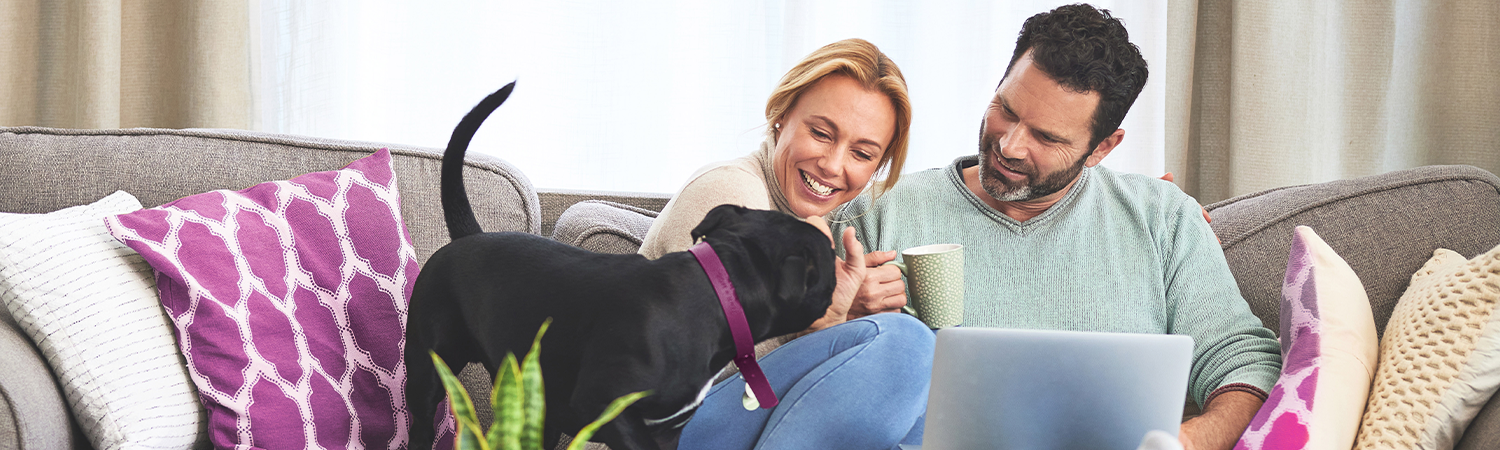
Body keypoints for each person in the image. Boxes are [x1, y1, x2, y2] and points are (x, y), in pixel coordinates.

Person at [832, 5, 1281, 450]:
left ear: (1103, 146)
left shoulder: (1162, 219)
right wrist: (840, 318)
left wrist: (1187, 442)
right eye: (1006, 109)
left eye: (1047, 137)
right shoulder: (877, 212)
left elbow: (1243, 362)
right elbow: (805, 367)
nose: (1010, 145)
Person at [641, 39, 935, 450]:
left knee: (923, 393)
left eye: (862, 153)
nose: (833, 165)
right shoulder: (731, 195)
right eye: (820, 133)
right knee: (907, 343)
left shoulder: (814, 228)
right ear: (781, 116)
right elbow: (713, 368)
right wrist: (821, 320)